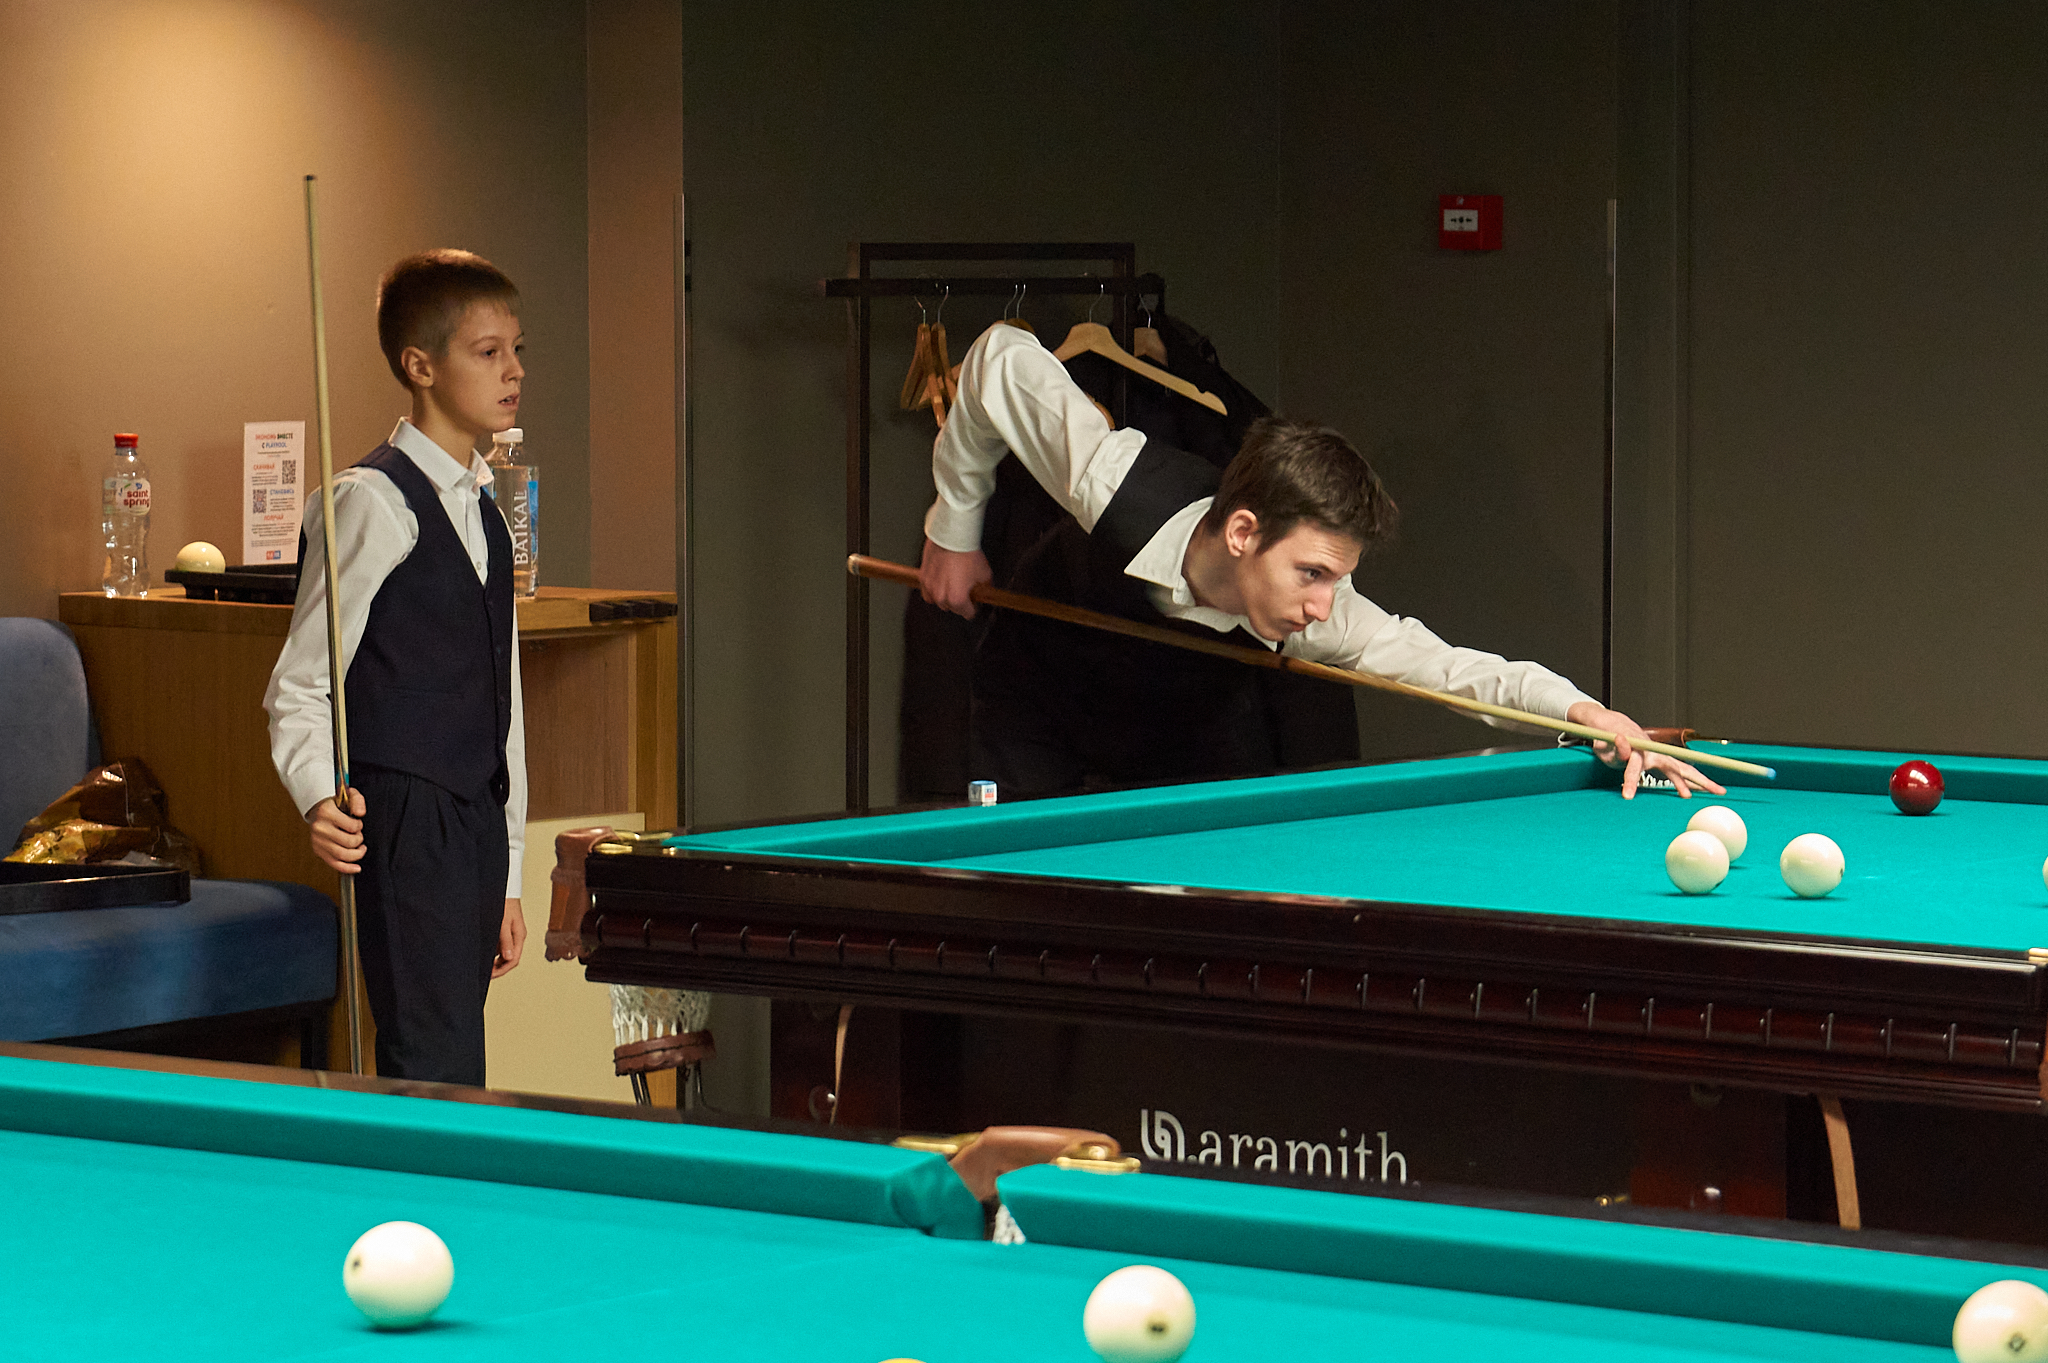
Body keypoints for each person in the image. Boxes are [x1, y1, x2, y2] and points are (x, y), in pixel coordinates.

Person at [919, 322, 1719, 800]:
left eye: (1338, 578)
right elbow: (996, 359)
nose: (1325, 606)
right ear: (1242, 533)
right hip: (1039, 697)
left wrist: (1585, 713)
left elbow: (1452, 670)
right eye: (1311, 573)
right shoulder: (1112, 478)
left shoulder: (1316, 618)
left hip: (1172, 727)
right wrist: (954, 529)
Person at [265, 249, 529, 1085]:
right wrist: (318, 794)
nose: (514, 371)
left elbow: (505, 702)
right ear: (420, 365)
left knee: (456, 1059)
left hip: (475, 820)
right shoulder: (370, 502)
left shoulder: (487, 512)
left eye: (517, 350)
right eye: (488, 352)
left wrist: (511, 868)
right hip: (408, 818)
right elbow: (301, 681)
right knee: (431, 1061)